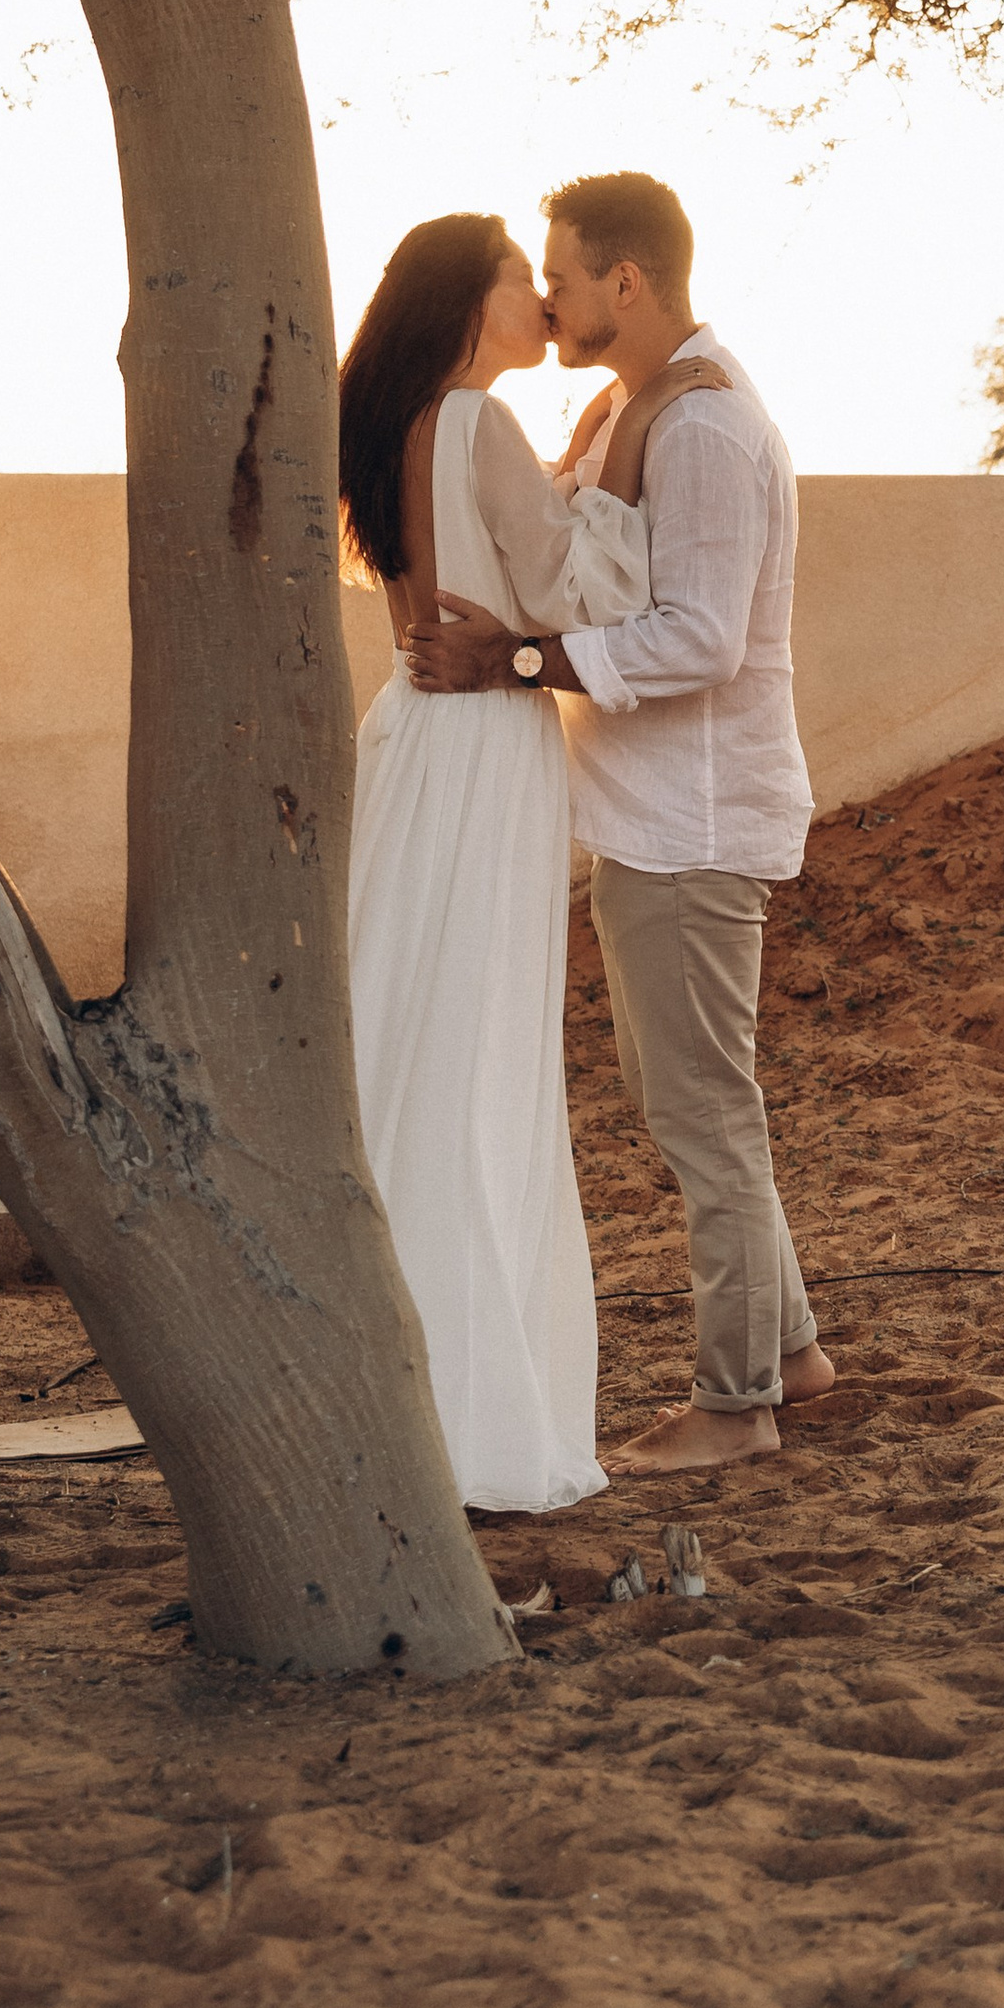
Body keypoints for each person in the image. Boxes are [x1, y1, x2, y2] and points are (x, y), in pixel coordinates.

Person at [411, 173, 835, 1475]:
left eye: (565, 271)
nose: (548, 293)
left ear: (627, 282)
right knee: (684, 1094)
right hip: (652, 812)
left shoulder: (700, 428)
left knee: (707, 1113)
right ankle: (798, 1353)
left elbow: (702, 637)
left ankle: (737, 1400)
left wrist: (520, 666)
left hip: (693, 822)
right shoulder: (622, 406)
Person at [340, 212, 723, 1513]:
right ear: (470, 302)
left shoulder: (403, 424)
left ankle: (382, 1390)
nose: (542, 301)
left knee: (411, 1034)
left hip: (410, 727)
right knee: (478, 1064)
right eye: (522, 278)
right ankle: (471, 1408)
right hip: (483, 743)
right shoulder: (478, 422)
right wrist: (611, 499)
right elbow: (580, 592)